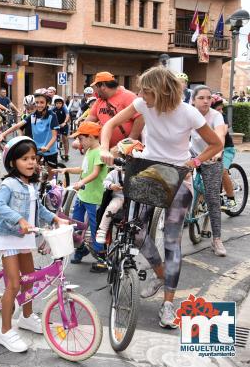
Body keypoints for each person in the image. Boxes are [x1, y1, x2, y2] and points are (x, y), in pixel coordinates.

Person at [99, 66, 222, 328]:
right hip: (150, 171)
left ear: (161, 91)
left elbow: (216, 144)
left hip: (178, 177)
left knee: (171, 241)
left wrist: (195, 161)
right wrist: (103, 148)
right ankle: (160, 273)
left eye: (146, 90)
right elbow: (110, 124)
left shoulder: (188, 113)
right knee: (138, 233)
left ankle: (168, 304)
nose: (140, 94)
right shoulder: (143, 104)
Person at [0, 136, 68, 353]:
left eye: (33, 158)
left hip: (26, 240)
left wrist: (55, 218)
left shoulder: (31, 184)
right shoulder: (9, 184)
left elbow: (38, 210)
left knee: (28, 282)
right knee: (14, 285)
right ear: (13, 162)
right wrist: (19, 219)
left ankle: (26, 317)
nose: (31, 162)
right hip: (9, 240)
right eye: (25, 158)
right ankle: (5, 331)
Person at [57, 121, 108, 272]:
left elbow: (95, 173)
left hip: (94, 197)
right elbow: (83, 169)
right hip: (82, 195)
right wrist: (66, 170)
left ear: (91, 137)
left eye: (81, 139)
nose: (79, 142)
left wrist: (81, 183)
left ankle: (101, 258)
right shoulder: (89, 151)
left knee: (95, 229)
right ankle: (81, 249)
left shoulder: (99, 152)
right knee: (75, 223)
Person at [190, 86, 228, 256]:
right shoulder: (188, 114)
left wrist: (218, 153)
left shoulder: (216, 115)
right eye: (201, 98)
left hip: (212, 157)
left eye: (208, 98)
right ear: (193, 100)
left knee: (213, 198)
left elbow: (220, 135)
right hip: (191, 155)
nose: (206, 101)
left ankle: (217, 239)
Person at [0, 92, 59, 173]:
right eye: (37, 102)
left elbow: (54, 136)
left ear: (47, 103)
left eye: (42, 102)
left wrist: (47, 147)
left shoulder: (52, 115)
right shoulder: (33, 116)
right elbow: (17, 126)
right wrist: (3, 134)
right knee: (33, 170)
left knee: (51, 178)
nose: (39, 105)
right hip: (37, 148)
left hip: (50, 149)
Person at [85, 72, 143, 148]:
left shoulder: (128, 96)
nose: (95, 90)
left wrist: (131, 140)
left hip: (127, 150)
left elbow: (140, 118)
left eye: (96, 87)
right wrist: (80, 139)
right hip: (105, 149)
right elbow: (88, 121)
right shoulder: (99, 101)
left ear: (103, 86)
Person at [210, 96, 237, 211]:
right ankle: (200, 203)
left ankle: (231, 199)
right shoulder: (203, 117)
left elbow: (224, 130)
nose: (221, 111)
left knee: (222, 171)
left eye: (222, 109)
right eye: (218, 109)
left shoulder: (222, 117)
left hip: (226, 148)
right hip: (210, 149)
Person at [52, 96, 70, 161]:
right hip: (56, 126)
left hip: (63, 126)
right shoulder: (53, 109)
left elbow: (67, 115)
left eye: (60, 103)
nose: (58, 104)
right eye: (57, 103)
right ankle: (55, 154)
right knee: (54, 139)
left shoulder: (64, 109)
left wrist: (64, 122)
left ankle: (66, 154)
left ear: (62, 104)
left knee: (65, 139)